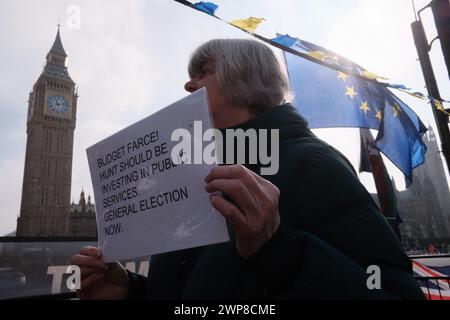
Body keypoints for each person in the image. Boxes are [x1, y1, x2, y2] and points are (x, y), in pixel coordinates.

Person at [71, 39, 425, 300]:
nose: (187, 85)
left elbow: (394, 293)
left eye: (203, 72)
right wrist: (128, 290)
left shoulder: (313, 165)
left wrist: (277, 249)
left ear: (245, 79)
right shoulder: (192, 178)